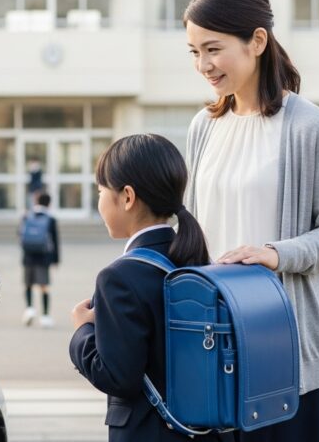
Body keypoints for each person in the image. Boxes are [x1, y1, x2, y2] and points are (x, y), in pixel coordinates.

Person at [182, 0, 319, 442]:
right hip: (209, 344)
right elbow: (190, 232)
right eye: (194, 52)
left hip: (282, 350)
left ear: (257, 41)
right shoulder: (203, 127)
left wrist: (274, 254)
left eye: (213, 49)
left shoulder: (309, 128)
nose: (203, 64)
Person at [68, 134, 219, 442]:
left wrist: (82, 332)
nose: (98, 201)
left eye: (100, 191)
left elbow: (117, 376)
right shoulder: (196, 258)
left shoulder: (119, 277)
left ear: (127, 196)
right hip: (201, 430)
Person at [19, 191, 60, 328]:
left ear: (35, 201)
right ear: (49, 203)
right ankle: (45, 316)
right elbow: (55, 241)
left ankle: (30, 309)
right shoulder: (51, 219)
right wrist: (55, 260)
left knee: (28, 284)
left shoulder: (26, 216)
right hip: (43, 258)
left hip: (28, 256)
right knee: (44, 287)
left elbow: (19, 235)